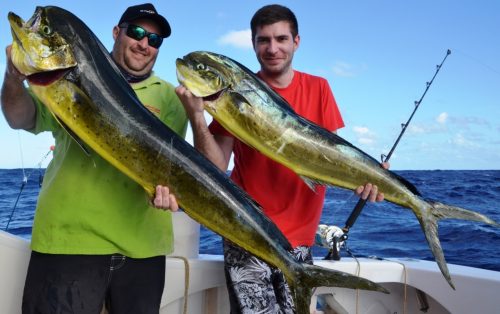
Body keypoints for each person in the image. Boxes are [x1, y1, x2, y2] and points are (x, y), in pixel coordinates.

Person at [176, 4, 387, 313]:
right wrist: (196, 115)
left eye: (281, 39)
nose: (272, 48)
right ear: (253, 44)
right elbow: (216, 165)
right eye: (263, 40)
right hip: (247, 233)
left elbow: (331, 154)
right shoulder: (230, 96)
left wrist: (370, 177)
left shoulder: (319, 87)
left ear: (296, 42)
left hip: (301, 240)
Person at [1, 3, 185, 313]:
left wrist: (169, 193)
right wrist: (12, 76)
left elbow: (170, 169)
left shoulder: (170, 97)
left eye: (154, 40)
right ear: (116, 32)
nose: (144, 44)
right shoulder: (64, 76)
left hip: (143, 250)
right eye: (137, 33)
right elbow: (20, 118)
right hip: (68, 242)